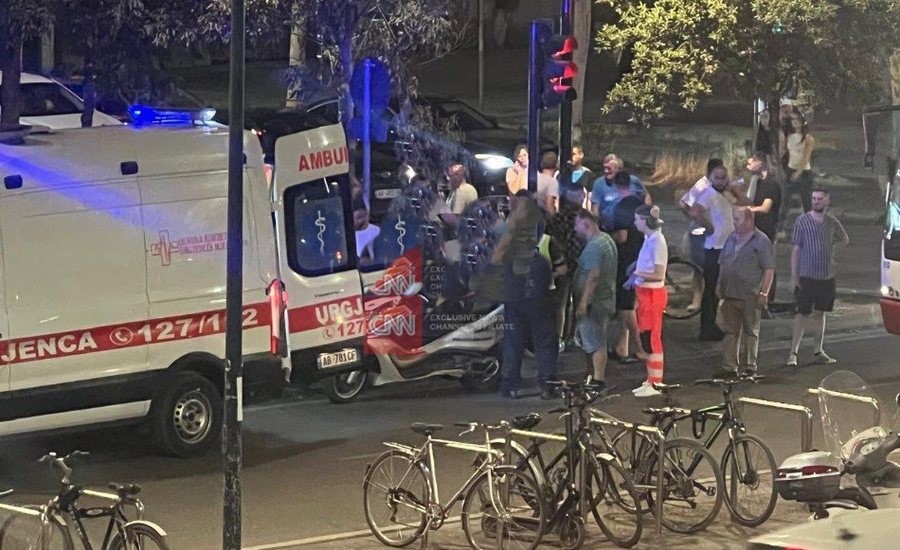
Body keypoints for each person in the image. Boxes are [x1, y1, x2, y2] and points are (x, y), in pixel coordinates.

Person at [787, 189, 849, 367]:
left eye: (820, 199)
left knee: (820, 313)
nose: (816, 201)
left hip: (826, 276)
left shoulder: (832, 222)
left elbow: (845, 239)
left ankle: (818, 350)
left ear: (827, 200)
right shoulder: (802, 221)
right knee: (802, 313)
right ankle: (793, 353)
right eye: (814, 198)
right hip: (807, 276)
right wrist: (794, 275)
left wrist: (832, 251)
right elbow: (796, 248)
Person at [688, 164, 746, 341]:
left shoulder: (725, 195)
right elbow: (695, 211)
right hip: (715, 248)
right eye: (717, 177)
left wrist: (735, 191)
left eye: (723, 177)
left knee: (717, 290)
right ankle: (707, 328)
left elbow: (746, 203)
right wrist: (708, 227)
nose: (721, 181)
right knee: (711, 289)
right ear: (711, 178)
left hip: (726, 247)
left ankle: (712, 325)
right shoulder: (708, 194)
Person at [716, 207, 775, 376]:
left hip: (750, 295)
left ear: (749, 220)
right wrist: (719, 286)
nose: (735, 222)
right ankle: (729, 368)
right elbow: (723, 264)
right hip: (730, 293)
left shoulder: (761, 241)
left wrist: (764, 293)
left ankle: (750, 367)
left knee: (751, 331)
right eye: (733, 218)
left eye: (738, 219)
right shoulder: (731, 238)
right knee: (730, 331)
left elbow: (769, 269)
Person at [573, 210, 618, 388]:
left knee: (596, 342)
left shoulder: (594, 248)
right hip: (606, 298)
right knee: (598, 338)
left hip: (594, 303)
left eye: (577, 225)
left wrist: (583, 303)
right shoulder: (606, 240)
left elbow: (593, 276)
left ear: (586, 225)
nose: (575, 229)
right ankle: (593, 376)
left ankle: (598, 381)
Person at [627, 204, 668, 397]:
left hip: (652, 295)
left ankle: (656, 382)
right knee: (647, 338)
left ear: (645, 221)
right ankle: (651, 379)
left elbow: (659, 274)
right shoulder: (649, 238)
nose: (635, 222)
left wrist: (637, 274)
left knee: (652, 339)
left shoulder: (658, 242)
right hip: (645, 294)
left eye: (637, 219)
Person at [609, 172, 645, 363]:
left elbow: (622, 237)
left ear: (616, 186)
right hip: (641, 256)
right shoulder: (640, 204)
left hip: (626, 260)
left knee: (625, 305)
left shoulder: (620, 207)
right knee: (631, 303)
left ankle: (637, 347)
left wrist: (608, 237)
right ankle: (621, 347)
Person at [680, 158, 725, 311]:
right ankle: (698, 300)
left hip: (717, 234)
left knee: (715, 267)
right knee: (699, 267)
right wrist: (698, 220)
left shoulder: (722, 186)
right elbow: (684, 204)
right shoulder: (702, 185)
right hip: (702, 233)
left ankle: (711, 300)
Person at [547, 182, 587, 351]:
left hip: (568, 264)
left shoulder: (559, 218)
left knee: (564, 304)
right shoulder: (584, 218)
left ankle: (562, 338)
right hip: (576, 265)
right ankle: (570, 337)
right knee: (573, 303)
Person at [746, 153, 782, 306]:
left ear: (760, 163)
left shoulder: (770, 184)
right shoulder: (758, 182)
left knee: (767, 263)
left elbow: (766, 207)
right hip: (757, 228)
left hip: (767, 229)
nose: (747, 166)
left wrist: (747, 210)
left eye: (750, 163)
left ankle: (767, 299)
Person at [590, 153, 650, 225]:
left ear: (619, 169)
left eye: (609, 168)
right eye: (604, 168)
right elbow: (595, 209)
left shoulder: (633, 180)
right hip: (610, 226)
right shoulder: (599, 183)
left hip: (634, 224)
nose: (606, 171)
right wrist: (597, 224)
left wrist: (647, 215)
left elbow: (646, 196)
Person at [780, 112, 815, 217]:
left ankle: (809, 219)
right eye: (793, 120)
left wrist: (798, 172)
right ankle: (781, 219)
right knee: (785, 197)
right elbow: (786, 152)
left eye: (797, 120)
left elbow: (806, 157)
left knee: (806, 199)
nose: (794, 122)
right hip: (790, 168)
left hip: (804, 171)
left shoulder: (808, 138)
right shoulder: (790, 136)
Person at [354, 200, 380, 264]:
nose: (358, 221)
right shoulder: (348, 235)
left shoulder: (377, 231)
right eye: (355, 218)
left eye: (360, 217)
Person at [537, 151, 560, 215]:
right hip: (543, 218)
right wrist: (554, 219)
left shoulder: (536, 177)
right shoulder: (552, 182)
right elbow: (549, 206)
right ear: (556, 165)